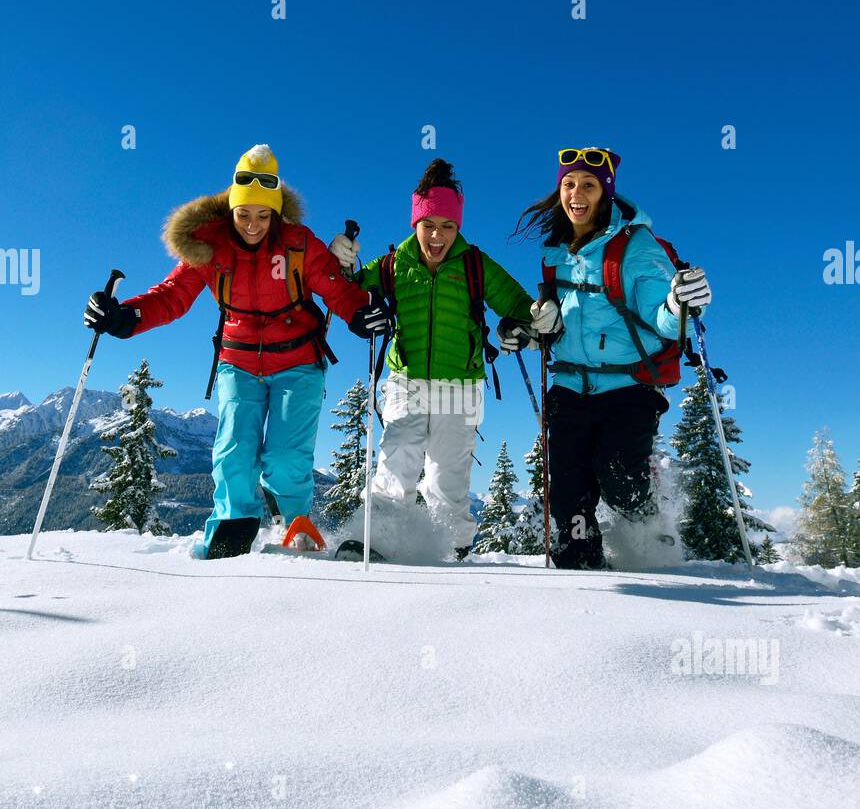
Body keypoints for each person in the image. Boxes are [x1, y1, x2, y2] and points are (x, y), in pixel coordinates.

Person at [84, 144, 390, 558]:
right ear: (231, 209)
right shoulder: (210, 247)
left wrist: (361, 314)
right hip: (238, 362)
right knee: (233, 452)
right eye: (244, 213)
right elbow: (172, 295)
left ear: (277, 213)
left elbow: (336, 287)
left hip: (298, 361)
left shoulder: (299, 244)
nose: (253, 224)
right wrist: (126, 316)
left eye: (264, 215)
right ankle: (234, 522)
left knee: (284, 460)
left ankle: (295, 521)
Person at [513, 146, 712, 570]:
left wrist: (681, 303)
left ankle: (647, 527)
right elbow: (557, 325)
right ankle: (580, 567)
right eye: (568, 184)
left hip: (628, 388)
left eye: (588, 185)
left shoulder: (636, 246)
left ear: (605, 193)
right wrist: (530, 332)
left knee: (618, 478)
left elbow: (663, 318)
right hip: (568, 388)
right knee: (568, 494)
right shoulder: (555, 253)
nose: (576, 194)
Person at [329, 158, 534, 558]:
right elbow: (348, 290)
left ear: (458, 227)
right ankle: (379, 540)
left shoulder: (475, 264)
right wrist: (342, 262)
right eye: (429, 226)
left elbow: (518, 303)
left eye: (447, 226)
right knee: (398, 454)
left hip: (462, 383)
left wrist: (533, 319)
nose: (437, 236)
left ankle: (450, 550)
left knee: (448, 476)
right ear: (415, 224)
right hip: (407, 380)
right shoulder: (393, 265)